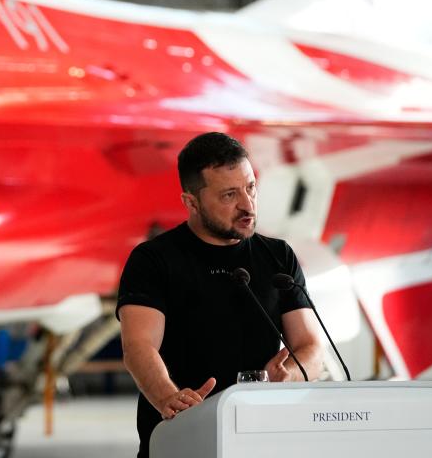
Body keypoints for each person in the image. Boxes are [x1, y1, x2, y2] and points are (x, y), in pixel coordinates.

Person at [116, 132, 324, 457]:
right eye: (229, 195)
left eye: (251, 187)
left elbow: (311, 347)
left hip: (261, 441)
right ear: (191, 202)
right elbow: (138, 346)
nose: (247, 204)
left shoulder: (278, 257)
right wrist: (169, 398)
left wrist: (293, 374)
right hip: (182, 438)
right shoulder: (154, 260)